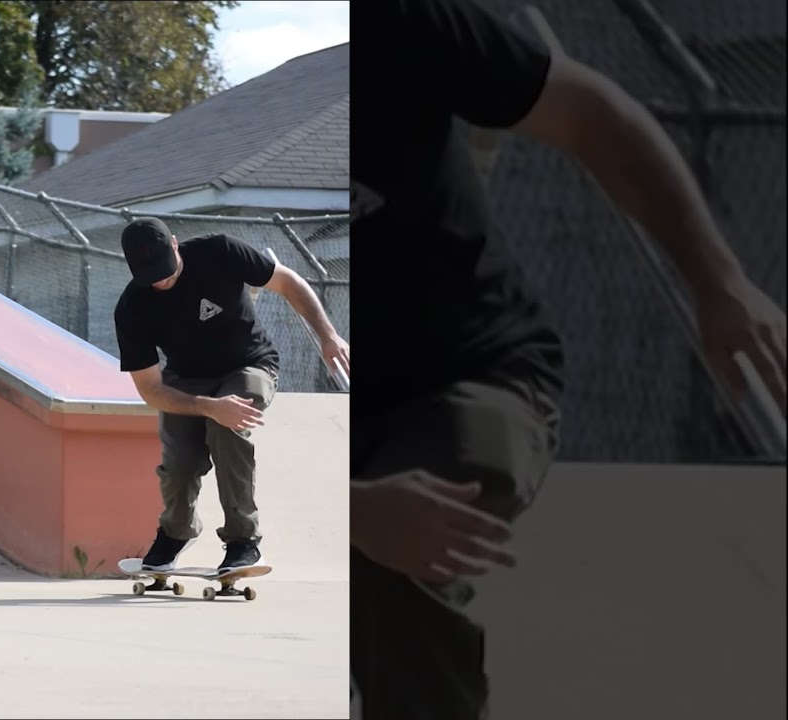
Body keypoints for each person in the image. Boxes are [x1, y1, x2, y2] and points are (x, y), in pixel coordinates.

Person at [352, 1, 787, 719]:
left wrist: (719, 282)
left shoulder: (396, 24)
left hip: (473, 373)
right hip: (332, 414)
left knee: (414, 543)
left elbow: (594, 115)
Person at [113, 217, 350, 573]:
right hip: (185, 378)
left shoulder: (220, 251)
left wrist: (328, 335)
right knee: (180, 462)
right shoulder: (132, 307)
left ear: (176, 245)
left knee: (228, 429)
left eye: (166, 270)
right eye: (151, 277)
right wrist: (207, 406)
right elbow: (151, 389)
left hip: (249, 364)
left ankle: (243, 541)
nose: (160, 281)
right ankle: (176, 532)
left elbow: (288, 282)